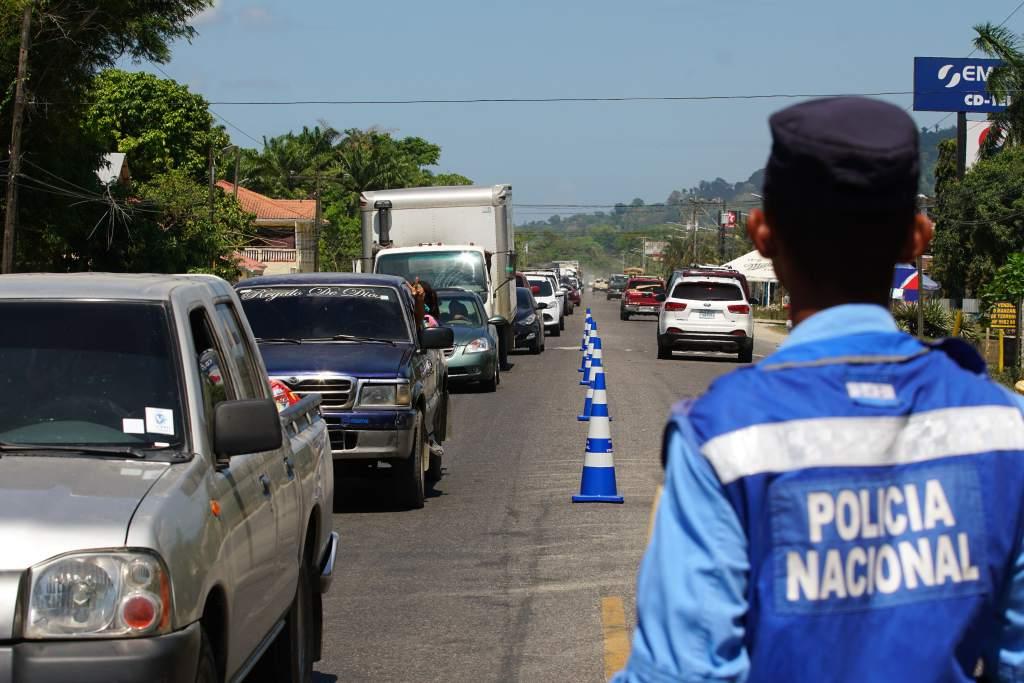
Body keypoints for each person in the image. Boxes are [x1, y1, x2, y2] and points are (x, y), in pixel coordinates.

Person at [614, 97, 1024, 683]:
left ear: (762, 234)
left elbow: (682, 672)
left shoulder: (722, 437)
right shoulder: (1006, 427)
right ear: (918, 237)